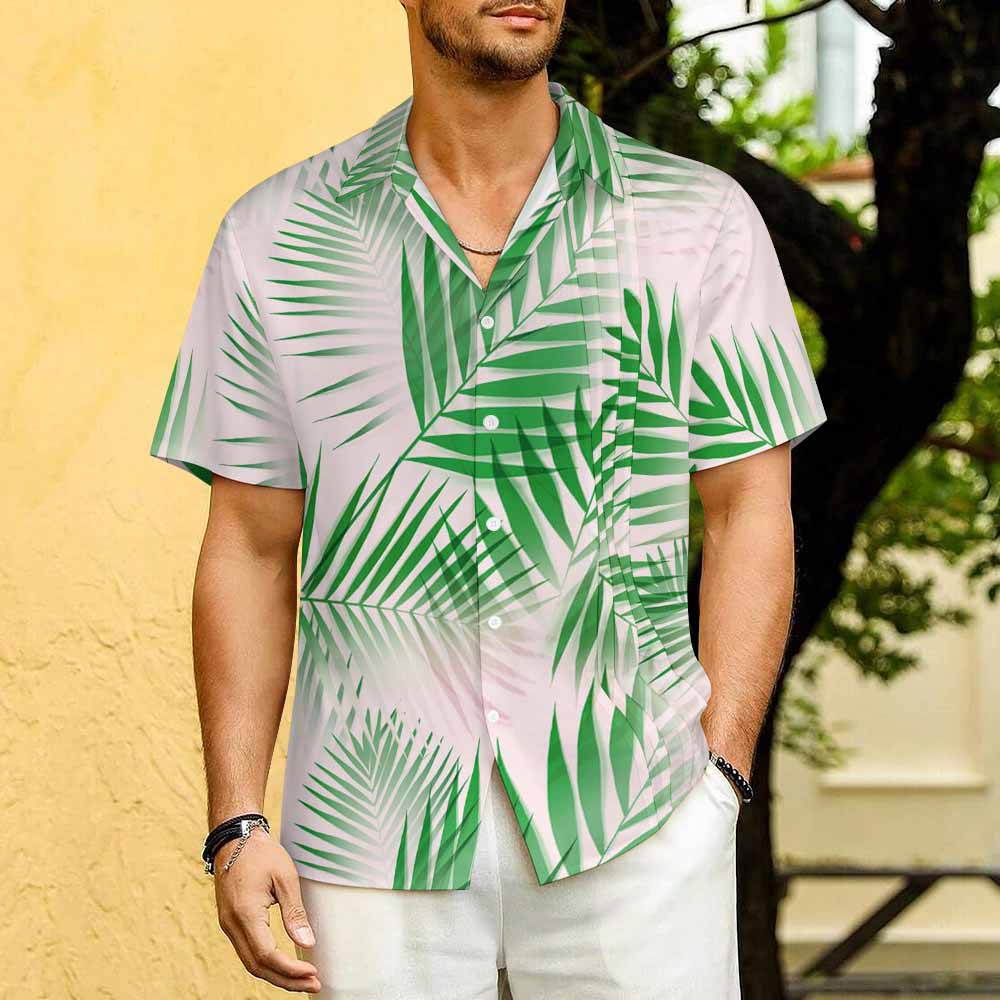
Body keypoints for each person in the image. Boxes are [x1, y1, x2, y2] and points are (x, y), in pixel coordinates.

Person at [149, 1, 827, 996]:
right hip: (371, 821)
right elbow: (250, 544)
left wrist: (719, 780)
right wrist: (237, 820)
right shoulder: (275, 235)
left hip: (639, 813)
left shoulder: (696, 219)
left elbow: (748, 509)